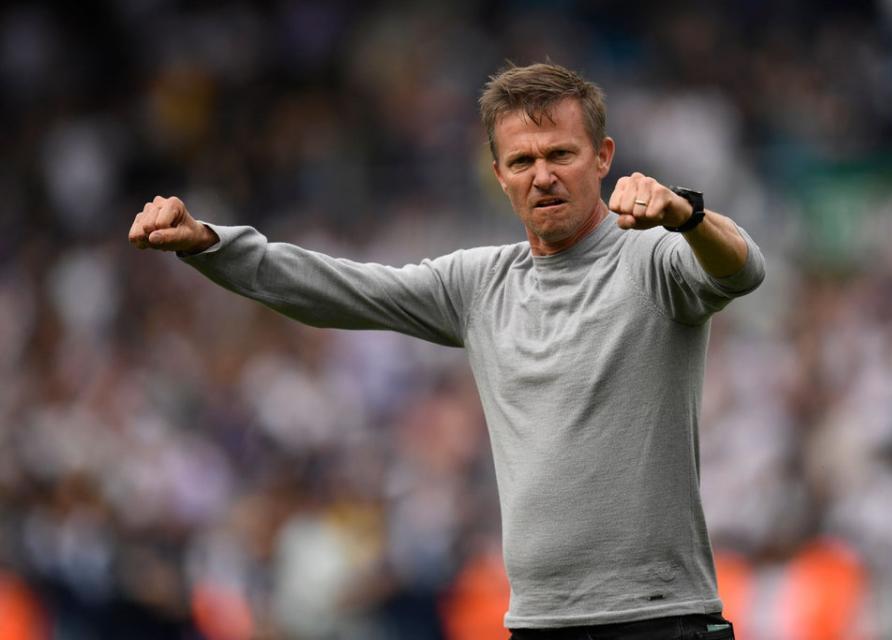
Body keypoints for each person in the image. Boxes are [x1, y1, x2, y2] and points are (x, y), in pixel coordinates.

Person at [128, 62, 764, 640]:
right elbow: (339, 291)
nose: (541, 175)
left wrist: (687, 217)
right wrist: (210, 244)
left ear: (602, 157)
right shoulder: (479, 283)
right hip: (540, 621)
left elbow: (742, 270)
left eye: (560, 153)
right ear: (498, 175)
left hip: (660, 616)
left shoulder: (651, 256)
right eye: (521, 161)